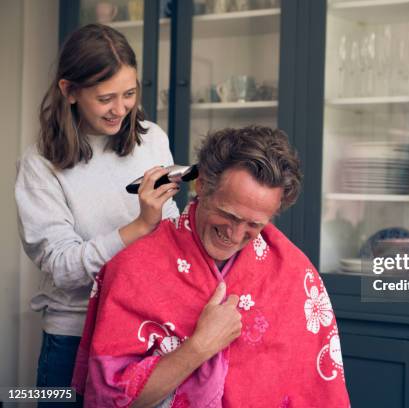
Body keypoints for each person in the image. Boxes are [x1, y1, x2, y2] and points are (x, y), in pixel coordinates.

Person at [72, 126, 351, 407]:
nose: (234, 233)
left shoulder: (294, 275)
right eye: (227, 215)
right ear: (202, 185)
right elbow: (109, 400)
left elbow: (317, 393)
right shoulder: (133, 268)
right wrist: (200, 346)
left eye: (254, 224)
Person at [15, 23, 181, 399]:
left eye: (130, 94)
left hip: (144, 328)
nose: (120, 109)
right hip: (72, 338)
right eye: (106, 98)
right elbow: (62, 267)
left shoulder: (152, 139)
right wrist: (140, 226)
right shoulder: (40, 165)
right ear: (69, 91)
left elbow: (169, 231)